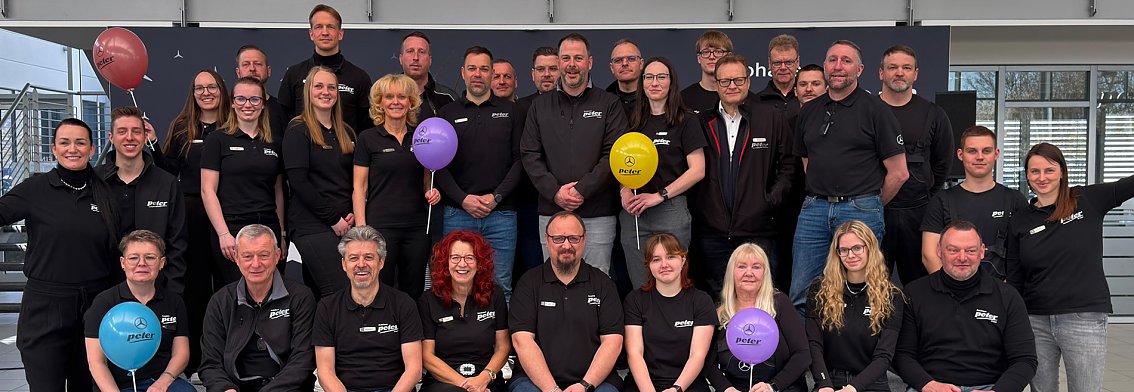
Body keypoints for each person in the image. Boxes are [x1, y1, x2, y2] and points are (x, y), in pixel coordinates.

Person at [0, 118, 119, 391]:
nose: (72, 149)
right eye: (64, 143)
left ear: (92, 149)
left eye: (80, 143)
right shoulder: (34, 189)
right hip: (45, 308)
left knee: (87, 386)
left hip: (95, 305)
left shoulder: (107, 192)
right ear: (54, 148)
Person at [789, 40, 908, 314]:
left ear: (860, 69)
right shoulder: (809, 111)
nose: (838, 66)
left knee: (863, 292)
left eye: (846, 61)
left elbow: (899, 173)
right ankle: (807, 342)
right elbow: (808, 162)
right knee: (802, 294)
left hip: (860, 209)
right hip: (814, 210)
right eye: (832, 60)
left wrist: (869, 203)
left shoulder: (877, 110)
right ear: (825, 67)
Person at [1006, 142, 1134, 392]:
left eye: (1049, 170)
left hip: (1083, 318)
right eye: (1035, 171)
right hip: (1035, 320)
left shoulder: (1088, 200)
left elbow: (1129, 185)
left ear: (1062, 172)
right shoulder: (1020, 220)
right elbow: (1015, 277)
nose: (1042, 177)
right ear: (1027, 175)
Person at [521, 32, 629, 275]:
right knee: (553, 281)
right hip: (552, 212)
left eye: (578, 58)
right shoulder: (540, 105)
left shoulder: (609, 103)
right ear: (559, 63)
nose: (572, 64)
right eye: (566, 58)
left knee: (597, 280)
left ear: (589, 62)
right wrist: (555, 192)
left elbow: (614, 154)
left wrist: (582, 190)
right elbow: (529, 153)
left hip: (597, 214)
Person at [692, 54, 796, 297]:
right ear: (716, 84)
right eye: (725, 81)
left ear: (748, 81)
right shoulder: (701, 122)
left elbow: (789, 165)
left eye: (738, 80)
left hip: (758, 231)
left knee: (761, 299)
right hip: (713, 233)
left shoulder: (771, 117)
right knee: (719, 300)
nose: (732, 86)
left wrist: (769, 201)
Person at [896, 221, 1036, 392]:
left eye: (970, 250)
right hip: (932, 386)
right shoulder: (914, 293)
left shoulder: (1008, 296)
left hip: (990, 387)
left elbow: (1025, 360)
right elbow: (902, 354)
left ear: (982, 252)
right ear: (939, 251)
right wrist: (928, 385)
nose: (962, 258)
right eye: (953, 250)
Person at [157, 69, 230, 375]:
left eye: (211, 86)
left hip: (227, 213)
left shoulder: (232, 124)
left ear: (222, 90)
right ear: (193, 93)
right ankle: (194, 359)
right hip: (191, 215)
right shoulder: (181, 126)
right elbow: (167, 168)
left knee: (228, 286)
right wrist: (151, 144)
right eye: (199, 88)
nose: (206, 92)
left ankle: (227, 356)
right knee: (195, 288)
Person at [436, 46, 523, 300]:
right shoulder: (447, 114)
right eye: (472, 68)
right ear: (463, 73)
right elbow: (439, 166)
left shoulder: (512, 112)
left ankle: (498, 330)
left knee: (500, 286)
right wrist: (463, 199)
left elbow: (520, 161)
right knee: (455, 285)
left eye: (484, 69)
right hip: (457, 213)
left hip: (502, 214)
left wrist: (496, 197)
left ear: (492, 73)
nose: (477, 74)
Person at [509, 211, 624, 392]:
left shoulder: (603, 284)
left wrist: (585, 385)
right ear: (546, 240)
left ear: (584, 239)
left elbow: (613, 342)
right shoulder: (528, 283)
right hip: (534, 382)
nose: (566, 245)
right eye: (558, 239)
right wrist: (552, 389)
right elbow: (522, 341)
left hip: (594, 381)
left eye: (573, 238)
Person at [619, 57, 706, 289]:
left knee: (672, 282)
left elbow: (698, 170)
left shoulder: (686, 120)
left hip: (670, 209)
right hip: (635, 212)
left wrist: (660, 195)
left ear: (671, 82)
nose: (654, 82)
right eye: (649, 77)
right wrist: (624, 191)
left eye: (661, 77)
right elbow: (621, 161)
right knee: (641, 284)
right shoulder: (632, 120)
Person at [353, 74, 442, 298]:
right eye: (389, 97)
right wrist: (362, 230)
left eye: (402, 97)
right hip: (380, 227)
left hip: (417, 228)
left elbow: (426, 181)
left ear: (411, 102)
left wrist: (431, 192)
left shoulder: (421, 137)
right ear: (380, 102)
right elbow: (359, 188)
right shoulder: (367, 138)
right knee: (380, 288)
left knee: (413, 290)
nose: (396, 102)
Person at [199, 224, 316, 391]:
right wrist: (226, 389)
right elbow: (210, 363)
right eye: (247, 256)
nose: (256, 264)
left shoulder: (300, 297)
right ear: (236, 258)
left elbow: (303, 360)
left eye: (263, 255)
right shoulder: (220, 301)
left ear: (277, 256)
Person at [877, 44, 954, 285]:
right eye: (892, 67)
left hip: (919, 213)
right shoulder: (866, 111)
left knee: (921, 286)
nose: (899, 73)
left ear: (916, 74)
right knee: (871, 284)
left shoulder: (934, 114)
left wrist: (925, 194)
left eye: (906, 68)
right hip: (875, 211)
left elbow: (943, 163)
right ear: (881, 73)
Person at [314, 226, 424, 392]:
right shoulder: (327, 308)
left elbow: (414, 370)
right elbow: (325, 372)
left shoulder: (404, 304)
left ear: (381, 262)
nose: (361, 264)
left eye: (368, 257)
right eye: (353, 258)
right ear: (344, 264)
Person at [201, 76, 286, 286]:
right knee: (234, 292)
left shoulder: (275, 142)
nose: (248, 105)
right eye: (241, 99)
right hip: (232, 227)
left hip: (268, 225)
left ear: (263, 104)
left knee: (270, 290)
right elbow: (207, 190)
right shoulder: (217, 140)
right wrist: (223, 233)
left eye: (254, 99)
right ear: (232, 103)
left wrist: (282, 233)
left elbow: (278, 191)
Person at [84, 230, 194, 392]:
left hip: (161, 381)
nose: (141, 263)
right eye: (133, 258)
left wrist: (163, 382)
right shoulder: (104, 303)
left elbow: (181, 353)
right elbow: (96, 363)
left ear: (162, 262)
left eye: (150, 257)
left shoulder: (174, 302)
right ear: (123, 263)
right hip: (118, 386)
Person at [96, 106, 187, 297]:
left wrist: (172, 294)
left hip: (155, 292)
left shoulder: (167, 183)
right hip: (101, 291)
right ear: (111, 137)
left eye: (136, 131)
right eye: (122, 131)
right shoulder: (94, 181)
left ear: (145, 137)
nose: (130, 137)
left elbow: (177, 245)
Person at [283, 66, 357, 299]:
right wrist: (333, 219)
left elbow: (352, 181)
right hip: (312, 225)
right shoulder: (298, 130)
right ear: (308, 91)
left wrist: (351, 213)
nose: (326, 92)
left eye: (331, 87)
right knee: (339, 291)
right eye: (319, 86)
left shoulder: (346, 132)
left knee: (322, 294)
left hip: (345, 223)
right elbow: (299, 182)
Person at [805, 221, 903, 392]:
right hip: (830, 380)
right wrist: (824, 384)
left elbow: (884, 356)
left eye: (857, 248)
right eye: (844, 250)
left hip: (872, 384)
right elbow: (814, 344)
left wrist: (852, 388)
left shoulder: (891, 295)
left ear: (870, 248)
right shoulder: (820, 289)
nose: (850, 255)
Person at [921, 126, 1026, 279]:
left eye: (986, 151)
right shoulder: (941, 201)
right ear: (960, 154)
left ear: (996, 154)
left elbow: (1027, 253)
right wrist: (952, 287)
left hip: (1002, 290)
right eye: (972, 151)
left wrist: (1007, 289)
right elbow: (929, 255)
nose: (980, 157)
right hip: (953, 291)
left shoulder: (1015, 200)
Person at [703, 243, 809, 392]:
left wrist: (773, 386)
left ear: (765, 273)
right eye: (742, 267)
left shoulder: (779, 303)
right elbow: (708, 362)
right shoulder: (720, 312)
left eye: (756, 267)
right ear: (731, 272)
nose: (749, 273)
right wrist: (727, 388)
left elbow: (803, 354)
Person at [418, 230, 510, 392]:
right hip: (443, 382)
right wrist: (467, 386)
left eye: (469, 258)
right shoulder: (429, 299)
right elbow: (427, 356)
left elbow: (503, 347)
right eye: (455, 258)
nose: (462, 264)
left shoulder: (495, 295)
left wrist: (484, 378)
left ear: (479, 263)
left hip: (486, 380)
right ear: (445, 262)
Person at [623, 233, 715, 392]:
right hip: (643, 383)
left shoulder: (701, 301)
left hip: (687, 383)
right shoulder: (635, 300)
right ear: (648, 265)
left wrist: (676, 389)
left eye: (671, 257)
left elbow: (697, 355)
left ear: (683, 260)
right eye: (656, 259)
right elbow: (634, 353)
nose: (664, 264)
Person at [278, 4, 372, 133]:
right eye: (318, 27)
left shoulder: (359, 77)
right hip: (303, 144)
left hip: (346, 145)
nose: (325, 32)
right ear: (311, 34)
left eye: (330, 27)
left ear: (340, 34)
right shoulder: (294, 74)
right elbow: (283, 122)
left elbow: (366, 128)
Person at [514, 46, 559, 274]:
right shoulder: (519, 108)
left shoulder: (575, 106)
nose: (547, 74)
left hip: (565, 197)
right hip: (528, 202)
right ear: (532, 74)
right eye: (541, 69)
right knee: (533, 266)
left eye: (552, 68)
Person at [400, 31, 458, 120]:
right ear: (401, 59)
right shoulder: (386, 95)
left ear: (430, 60)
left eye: (421, 52)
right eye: (410, 51)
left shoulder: (448, 98)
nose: (416, 57)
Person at [236, 44, 287, 139]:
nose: (252, 69)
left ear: (268, 71)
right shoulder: (227, 109)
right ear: (238, 72)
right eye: (246, 64)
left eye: (258, 64)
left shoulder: (283, 110)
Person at [682, 30, 733, 113]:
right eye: (706, 52)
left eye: (718, 52)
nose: (711, 57)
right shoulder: (683, 99)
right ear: (699, 58)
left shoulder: (738, 96)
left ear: (729, 56)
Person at [755, 34, 800, 113]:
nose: (783, 67)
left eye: (788, 62)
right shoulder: (756, 102)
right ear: (769, 63)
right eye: (777, 63)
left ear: (798, 62)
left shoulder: (808, 97)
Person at [607, 38, 643, 114]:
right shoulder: (604, 101)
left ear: (641, 64)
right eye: (618, 60)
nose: (625, 63)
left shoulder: (656, 98)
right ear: (612, 68)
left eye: (631, 59)